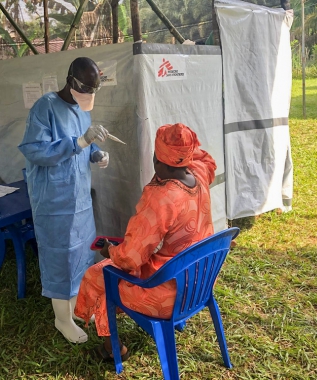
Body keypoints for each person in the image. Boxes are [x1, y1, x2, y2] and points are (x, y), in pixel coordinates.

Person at [74, 123, 217, 361]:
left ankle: (113, 350)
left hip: (170, 292)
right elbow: (205, 158)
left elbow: (131, 258)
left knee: (98, 275)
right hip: (199, 279)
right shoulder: (199, 172)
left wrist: (110, 250)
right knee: (112, 270)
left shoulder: (161, 199)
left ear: (158, 161)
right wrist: (184, 149)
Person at [18, 57, 110, 344]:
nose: (89, 97)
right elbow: (35, 150)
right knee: (61, 257)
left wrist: (95, 153)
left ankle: (79, 308)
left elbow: (85, 140)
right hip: (54, 200)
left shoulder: (82, 108)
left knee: (82, 252)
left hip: (79, 198)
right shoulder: (45, 106)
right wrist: (79, 144)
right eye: (86, 88)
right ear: (71, 80)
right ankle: (63, 319)